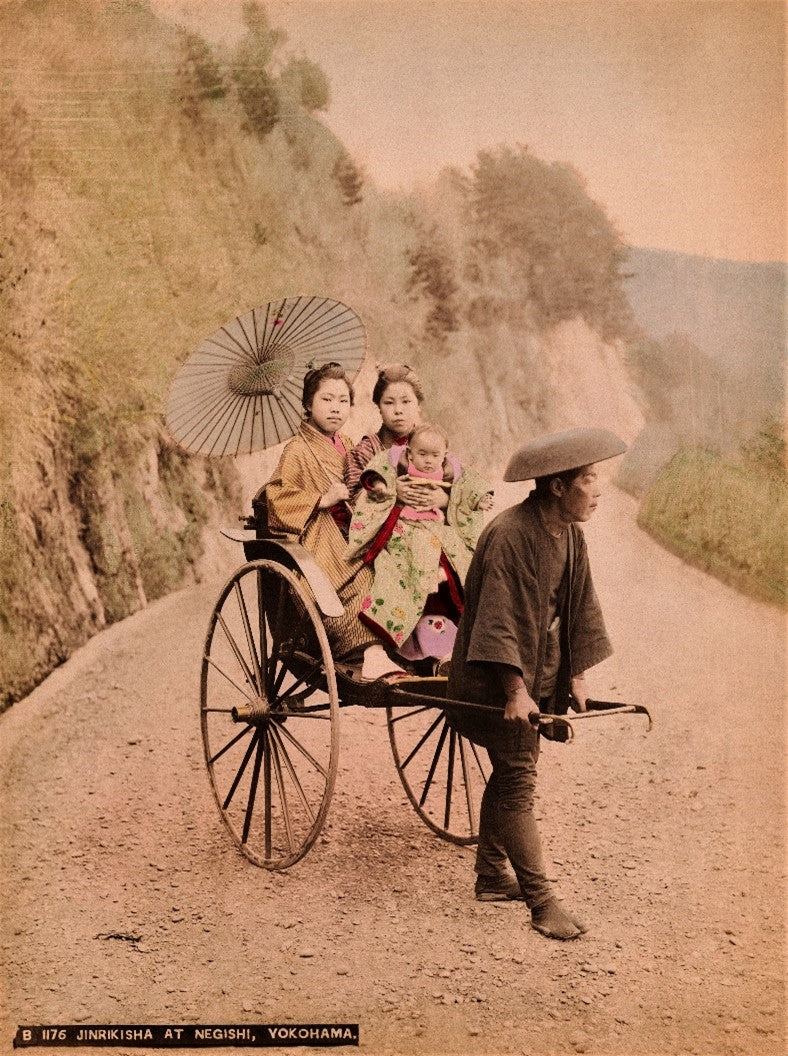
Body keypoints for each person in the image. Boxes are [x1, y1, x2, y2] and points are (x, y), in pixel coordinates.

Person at [446, 427, 627, 940]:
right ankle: (542, 902)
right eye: (589, 479)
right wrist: (515, 692)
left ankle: (489, 875)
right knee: (519, 779)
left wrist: (577, 675)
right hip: (492, 680)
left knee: (511, 772)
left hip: (537, 675)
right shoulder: (510, 535)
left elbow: (578, 609)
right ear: (557, 487)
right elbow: (498, 623)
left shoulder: (570, 535)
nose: (598, 490)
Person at [265, 362, 406, 682]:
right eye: (327, 400)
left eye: (343, 401)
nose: (336, 408)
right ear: (307, 404)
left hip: (352, 529)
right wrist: (320, 500)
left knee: (398, 563)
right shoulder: (298, 450)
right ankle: (370, 654)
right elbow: (275, 496)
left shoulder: (349, 444)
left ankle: (407, 649)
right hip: (318, 535)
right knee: (360, 577)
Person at [346, 423, 493, 664]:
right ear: (409, 451)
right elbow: (375, 473)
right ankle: (410, 636)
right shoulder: (397, 461)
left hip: (434, 527)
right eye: (421, 454)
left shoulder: (449, 470)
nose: (427, 461)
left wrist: (478, 498)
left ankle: (442, 584)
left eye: (435, 455)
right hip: (404, 527)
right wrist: (386, 487)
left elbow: (470, 485)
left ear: (444, 454)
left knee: (457, 561)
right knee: (401, 569)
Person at [345, 363, 446, 520]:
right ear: (378, 406)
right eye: (389, 402)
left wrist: (445, 500)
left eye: (406, 402)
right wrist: (391, 491)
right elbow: (353, 502)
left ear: (418, 405)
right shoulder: (365, 450)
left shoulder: (433, 444)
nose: (398, 410)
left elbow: (462, 488)